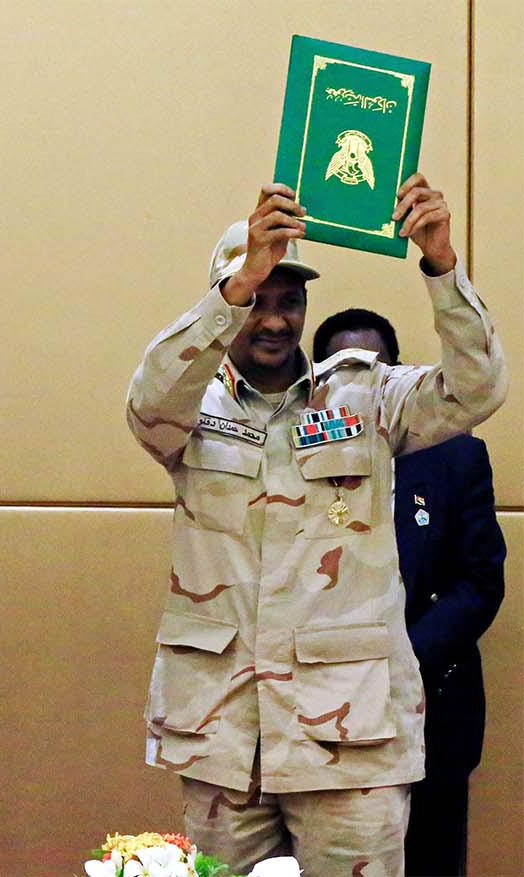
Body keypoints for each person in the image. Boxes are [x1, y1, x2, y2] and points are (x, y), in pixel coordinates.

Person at [125, 175, 507, 875]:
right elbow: (146, 406)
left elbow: (477, 388)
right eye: (257, 301)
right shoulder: (189, 409)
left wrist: (442, 266)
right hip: (224, 736)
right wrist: (236, 286)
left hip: (347, 742)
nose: (274, 320)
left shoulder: (362, 396)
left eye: (289, 301)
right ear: (228, 298)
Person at [313, 309, 506, 877]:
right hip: (326, 711)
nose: (359, 387)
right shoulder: (303, 452)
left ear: (398, 376)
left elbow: (479, 581)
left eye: (374, 371)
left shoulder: (454, 452)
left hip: (431, 701)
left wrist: (398, 659)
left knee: (431, 856)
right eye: (340, 371)